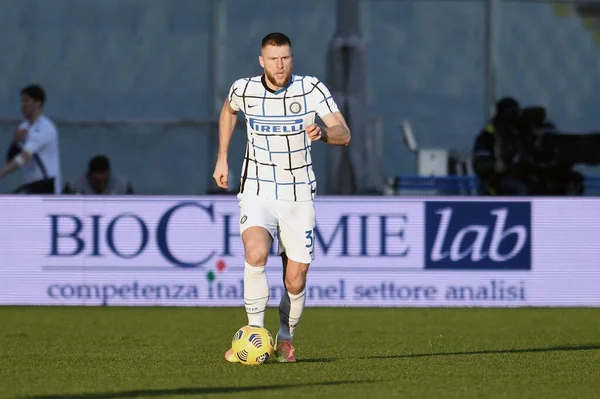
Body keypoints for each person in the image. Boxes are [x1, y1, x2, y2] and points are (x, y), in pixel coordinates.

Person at [213, 32, 351, 363]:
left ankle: (285, 338)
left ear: (292, 58)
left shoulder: (311, 89)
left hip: (298, 193)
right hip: (257, 187)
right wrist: (222, 156)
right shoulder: (244, 89)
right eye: (274, 58)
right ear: (262, 61)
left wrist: (324, 133)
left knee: (295, 276)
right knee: (256, 251)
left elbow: (344, 134)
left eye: (286, 57)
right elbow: (229, 111)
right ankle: (255, 334)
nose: (280, 64)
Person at [0, 84, 61, 194]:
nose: (23, 105)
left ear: (38, 103)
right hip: (31, 185)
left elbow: (24, 157)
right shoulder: (23, 127)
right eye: (22, 101)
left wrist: (2, 172)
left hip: (47, 187)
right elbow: (11, 159)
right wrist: (14, 142)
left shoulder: (44, 127)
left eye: (27, 101)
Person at [472, 97, 531, 195]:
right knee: (522, 189)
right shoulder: (488, 136)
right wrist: (494, 166)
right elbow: (480, 164)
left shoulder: (519, 134)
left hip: (520, 176)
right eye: (512, 113)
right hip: (497, 182)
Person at [63, 155, 134, 195]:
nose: (101, 177)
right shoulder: (74, 187)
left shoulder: (122, 187)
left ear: (108, 172)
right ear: (89, 174)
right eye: (98, 173)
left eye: (103, 173)